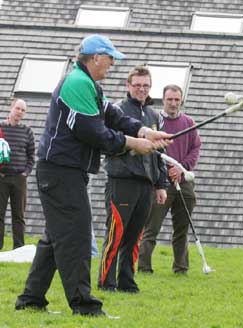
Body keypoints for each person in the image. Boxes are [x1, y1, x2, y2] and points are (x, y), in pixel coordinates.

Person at [15, 34, 172, 316]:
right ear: (96, 57)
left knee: (56, 237)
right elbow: (93, 132)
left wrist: (145, 131)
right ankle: (85, 306)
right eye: (110, 59)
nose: (112, 64)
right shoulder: (77, 83)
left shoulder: (89, 86)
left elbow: (112, 115)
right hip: (60, 172)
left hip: (66, 172)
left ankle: (31, 299)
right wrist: (133, 144)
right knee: (75, 237)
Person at [98, 66, 169, 292]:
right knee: (116, 232)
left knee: (135, 235)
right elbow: (106, 143)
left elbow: (161, 153)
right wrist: (132, 149)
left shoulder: (154, 115)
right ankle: (106, 281)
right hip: (122, 180)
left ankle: (127, 281)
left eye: (145, 86)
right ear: (128, 86)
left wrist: (160, 184)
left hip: (146, 184)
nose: (141, 89)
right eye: (137, 85)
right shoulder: (117, 111)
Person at [139, 84, 201, 274]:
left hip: (183, 181)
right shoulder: (155, 122)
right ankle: (144, 267)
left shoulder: (189, 122)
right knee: (152, 228)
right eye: (169, 99)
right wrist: (166, 171)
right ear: (163, 100)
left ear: (181, 100)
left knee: (182, 228)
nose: (173, 103)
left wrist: (181, 169)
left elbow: (195, 149)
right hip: (161, 183)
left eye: (177, 99)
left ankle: (181, 268)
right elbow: (151, 150)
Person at [0, 99, 35, 250]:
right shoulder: (0, 128)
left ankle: (19, 249)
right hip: (1, 178)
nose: (20, 112)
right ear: (11, 108)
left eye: (23, 110)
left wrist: (25, 173)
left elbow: (31, 156)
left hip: (19, 179)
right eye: (18, 108)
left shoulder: (27, 131)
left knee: (19, 216)